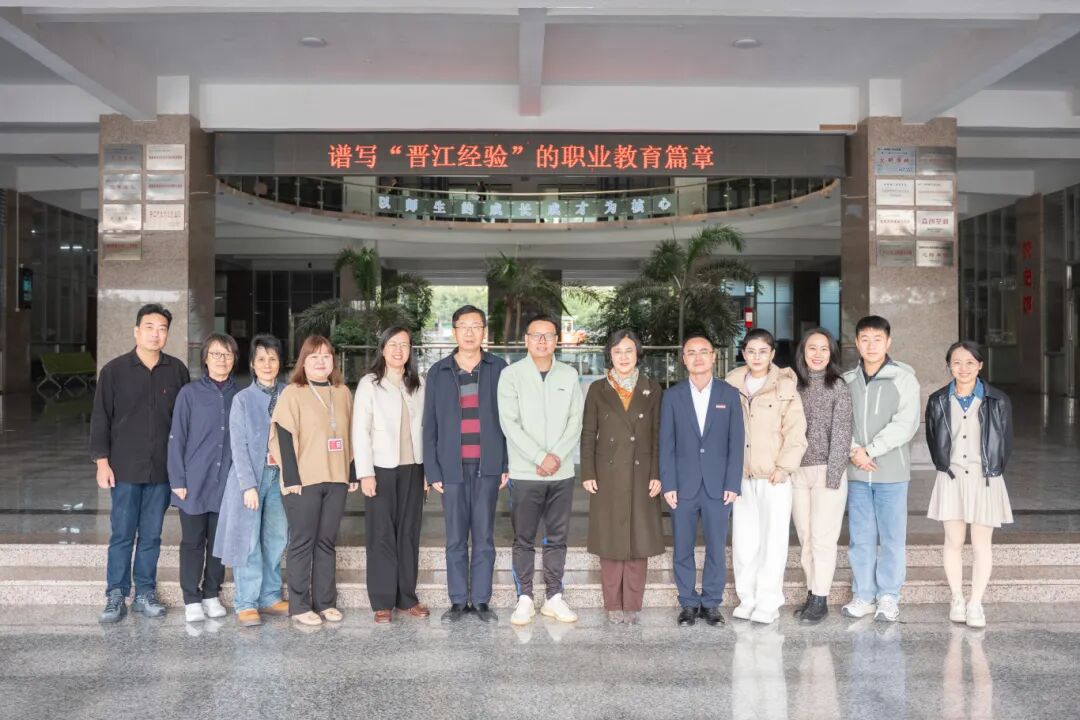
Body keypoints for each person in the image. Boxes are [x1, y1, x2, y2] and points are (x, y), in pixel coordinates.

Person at [92, 304, 190, 623]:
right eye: (149, 327)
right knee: (122, 534)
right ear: (136, 331)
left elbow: (184, 422)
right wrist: (102, 463)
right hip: (124, 468)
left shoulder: (177, 371)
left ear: (167, 334)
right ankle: (116, 593)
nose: (155, 334)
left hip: (161, 469)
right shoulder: (114, 371)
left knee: (151, 535)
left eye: (162, 329)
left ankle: (145, 592)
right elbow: (100, 419)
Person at [423, 305, 509, 623]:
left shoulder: (499, 368)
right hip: (452, 468)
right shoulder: (439, 371)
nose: (470, 332)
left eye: (476, 326)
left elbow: (509, 421)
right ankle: (459, 600)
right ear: (454, 331)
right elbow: (429, 425)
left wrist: (505, 463)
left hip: (488, 466)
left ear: (484, 331)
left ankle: (482, 600)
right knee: (455, 538)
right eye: (464, 326)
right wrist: (432, 471)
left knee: (484, 537)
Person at [498, 314, 585, 626]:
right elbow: (510, 423)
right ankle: (524, 597)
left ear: (557, 340)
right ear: (526, 340)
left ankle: (554, 597)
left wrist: (556, 456)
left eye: (548, 335)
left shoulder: (569, 375)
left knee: (557, 537)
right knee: (523, 538)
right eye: (536, 335)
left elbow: (576, 421)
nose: (542, 341)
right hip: (525, 473)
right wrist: (538, 457)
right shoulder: (511, 375)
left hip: (561, 473)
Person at [268, 335, 358, 627]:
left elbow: (350, 434)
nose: (321, 362)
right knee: (302, 541)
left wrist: (352, 471)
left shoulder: (342, 392)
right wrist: (291, 476)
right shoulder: (293, 393)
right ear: (303, 362)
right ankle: (299, 605)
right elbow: (283, 435)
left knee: (327, 542)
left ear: (334, 361)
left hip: (336, 478)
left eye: (326, 356)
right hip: (303, 480)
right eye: (314, 357)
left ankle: (325, 602)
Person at [926, 341, 1013, 628]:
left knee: (981, 544)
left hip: (985, 478)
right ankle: (957, 598)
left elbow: (1005, 441)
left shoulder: (997, 399)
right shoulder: (938, 400)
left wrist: (992, 468)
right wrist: (944, 464)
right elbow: (933, 438)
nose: (963, 368)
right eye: (956, 362)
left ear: (980, 365)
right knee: (953, 541)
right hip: (951, 477)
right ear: (949, 366)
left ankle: (975, 602)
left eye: (970, 363)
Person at [660, 333, 744, 627]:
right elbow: (666, 443)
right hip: (682, 486)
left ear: (713, 356)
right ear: (683, 359)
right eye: (691, 352)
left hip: (718, 486)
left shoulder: (728, 394)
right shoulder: (672, 396)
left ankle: (710, 604)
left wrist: (733, 483)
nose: (697, 357)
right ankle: (687, 603)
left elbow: (736, 442)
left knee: (716, 548)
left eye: (703, 352)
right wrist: (668, 483)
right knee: (682, 547)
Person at [580, 329, 664, 624]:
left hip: (643, 472)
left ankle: (633, 606)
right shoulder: (598, 389)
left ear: (637, 354)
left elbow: (658, 434)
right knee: (610, 539)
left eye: (629, 351)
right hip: (607, 472)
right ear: (610, 356)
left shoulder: (652, 388)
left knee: (639, 538)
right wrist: (588, 471)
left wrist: (657, 473)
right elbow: (588, 433)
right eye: (617, 351)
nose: (624, 357)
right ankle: (613, 605)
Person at [842, 315, 920, 623]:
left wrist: (869, 451)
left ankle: (888, 596)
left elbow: (906, 424)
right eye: (865, 339)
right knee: (860, 537)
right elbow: (840, 421)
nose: (871, 345)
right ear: (856, 343)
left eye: (878, 339)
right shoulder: (847, 380)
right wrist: (854, 451)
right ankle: (863, 595)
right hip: (857, 473)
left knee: (891, 537)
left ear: (888, 342)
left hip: (891, 473)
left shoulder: (904, 378)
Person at [727, 329, 807, 625]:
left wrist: (784, 467)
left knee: (773, 542)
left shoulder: (785, 385)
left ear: (772, 354)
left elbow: (796, 432)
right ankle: (747, 598)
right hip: (741, 476)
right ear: (743, 353)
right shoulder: (731, 384)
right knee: (744, 543)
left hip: (774, 476)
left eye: (763, 351)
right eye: (751, 351)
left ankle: (768, 602)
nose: (757, 357)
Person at [352, 326, 428, 624]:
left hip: (413, 468)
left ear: (410, 350)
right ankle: (382, 601)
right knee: (381, 534)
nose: (398, 350)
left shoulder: (418, 384)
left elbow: (428, 429)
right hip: (381, 469)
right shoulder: (370, 384)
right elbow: (360, 431)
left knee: (408, 533)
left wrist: (428, 471)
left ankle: (407, 597)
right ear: (382, 349)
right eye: (393, 344)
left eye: (404, 345)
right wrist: (365, 473)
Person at [213, 334, 290, 627]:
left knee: (276, 538)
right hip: (251, 478)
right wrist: (248, 486)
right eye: (261, 359)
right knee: (249, 540)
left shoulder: (289, 394)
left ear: (280, 362)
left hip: (280, 477)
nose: (267, 364)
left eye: (272, 358)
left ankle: (269, 597)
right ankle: (246, 602)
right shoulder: (242, 399)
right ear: (252, 365)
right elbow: (239, 445)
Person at [168, 332, 240, 623]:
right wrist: (178, 480)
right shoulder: (189, 393)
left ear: (234, 359)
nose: (222, 360)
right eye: (216, 354)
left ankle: (211, 593)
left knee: (219, 542)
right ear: (205, 359)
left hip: (226, 482)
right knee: (193, 541)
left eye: (227, 354)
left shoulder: (240, 395)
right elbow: (177, 437)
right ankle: (191, 598)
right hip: (194, 481)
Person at [790, 328, 852, 624]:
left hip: (827, 471)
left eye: (824, 349)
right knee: (805, 537)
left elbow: (842, 433)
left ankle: (820, 598)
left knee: (823, 538)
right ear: (802, 352)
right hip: (796, 472)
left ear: (831, 354)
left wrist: (834, 475)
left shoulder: (838, 386)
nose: (817, 354)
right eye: (812, 348)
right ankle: (811, 591)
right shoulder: (792, 385)